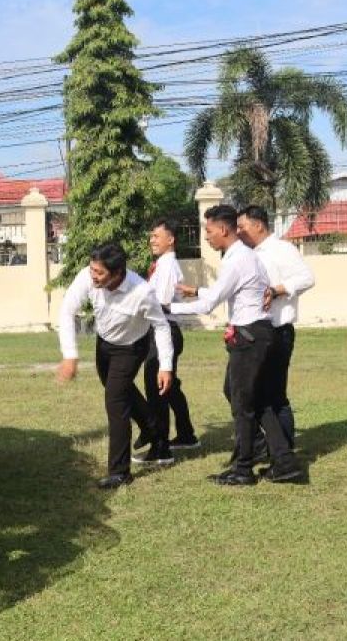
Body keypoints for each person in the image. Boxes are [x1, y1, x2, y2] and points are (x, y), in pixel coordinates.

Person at [170, 205, 303, 485]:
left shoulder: (237, 259)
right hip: (256, 332)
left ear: (222, 229)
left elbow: (210, 303)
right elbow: (226, 294)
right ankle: (284, 461)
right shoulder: (243, 256)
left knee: (243, 404)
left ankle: (244, 469)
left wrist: (166, 309)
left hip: (250, 336)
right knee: (256, 399)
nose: (206, 237)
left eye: (208, 230)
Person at [57, 242, 173, 489]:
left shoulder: (142, 292)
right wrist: (70, 355)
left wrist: (166, 366)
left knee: (115, 401)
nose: (93, 276)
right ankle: (154, 428)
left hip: (131, 348)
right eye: (92, 270)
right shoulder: (89, 276)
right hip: (105, 343)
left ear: (118, 273)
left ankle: (120, 472)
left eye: (99, 273)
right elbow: (67, 310)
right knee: (117, 390)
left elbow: (161, 326)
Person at [237, 205, 316, 447]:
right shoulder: (247, 253)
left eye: (242, 226)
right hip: (254, 332)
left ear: (258, 225)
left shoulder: (282, 249)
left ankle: (284, 451)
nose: (238, 232)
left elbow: (307, 278)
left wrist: (276, 290)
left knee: (274, 395)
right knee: (241, 390)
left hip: (278, 330)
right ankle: (263, 444)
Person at [133, 219, 198, 464]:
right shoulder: (162, 265)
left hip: (163, 331)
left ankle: (160, 449)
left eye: (156, 236)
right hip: (164, 330)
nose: (152, 240)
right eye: (151, 236)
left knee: (156, 388)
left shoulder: (168, 265)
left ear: (170, 239)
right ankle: (186, 435)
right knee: (169, 387)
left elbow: (160, 303)